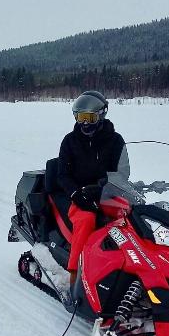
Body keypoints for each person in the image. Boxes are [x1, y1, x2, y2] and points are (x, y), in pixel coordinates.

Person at [57, 91, 125, 285]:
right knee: (87, 220)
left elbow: (121, 171)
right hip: (80, 196)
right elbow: (62, 174)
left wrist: (106, 185)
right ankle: (74, 276)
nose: (85, 123)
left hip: (107, 193)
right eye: (80, 117)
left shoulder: (115, 140)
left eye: (89, 117)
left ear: (101, 115)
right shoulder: (70, 141)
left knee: (129, 221)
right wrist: (76, 193)